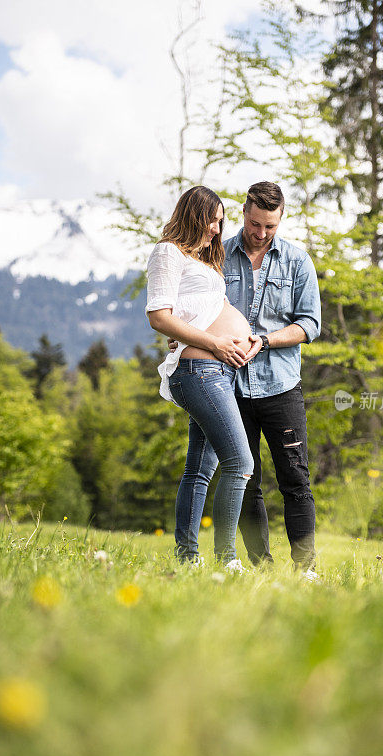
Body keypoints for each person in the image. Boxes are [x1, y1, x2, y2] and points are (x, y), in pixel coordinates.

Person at [170, 181, 321, 579]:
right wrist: (181, 328)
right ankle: (259, 567)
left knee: (295, 478)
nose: (260, 233)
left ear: (280, 220)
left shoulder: (296, 260)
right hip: (227, 383)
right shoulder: (216, 254)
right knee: (245, 477)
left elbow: (310, 324)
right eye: (255, 224)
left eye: (270, 226)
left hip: (280, 385)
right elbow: (195, 302)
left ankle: (306, 569)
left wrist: (265, 340)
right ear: (244, 212)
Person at [145, 185, 259, 570]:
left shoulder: (206, 261)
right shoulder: (168, 252)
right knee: (241, 462)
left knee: (200, 469)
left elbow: (207, 308)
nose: (217, 228)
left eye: (221, 220)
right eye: (212, 219)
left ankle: (187, 558)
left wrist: (244, 339)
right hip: (200, 370)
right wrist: (216, 343)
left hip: (221, 370)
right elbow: (159, 316)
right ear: (193, 215)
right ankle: (227, 559)